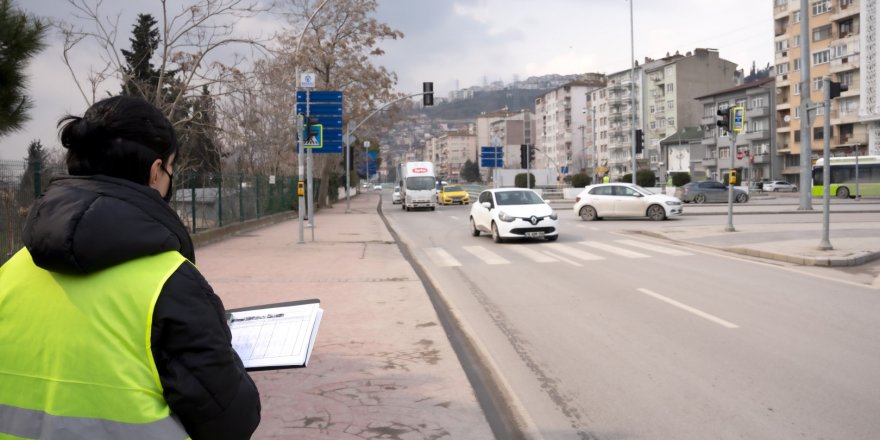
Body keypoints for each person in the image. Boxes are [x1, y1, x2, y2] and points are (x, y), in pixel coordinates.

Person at [0, 96, 261, 439]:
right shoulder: (171, 283)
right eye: (170, 170)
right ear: (155, 172)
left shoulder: (12, 270)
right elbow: (231, 420)